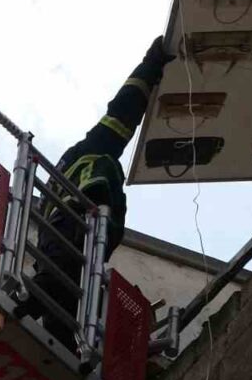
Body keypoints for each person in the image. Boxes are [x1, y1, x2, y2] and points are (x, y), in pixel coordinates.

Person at [28, 36, 175, 352]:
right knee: (58, 286)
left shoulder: (60, 178)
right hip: (81, 224)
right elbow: (125, 107)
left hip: (73, 239)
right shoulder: (94, 149)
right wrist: (152, 64)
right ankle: (32, 312)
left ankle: (58, 347)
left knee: (63, 310)